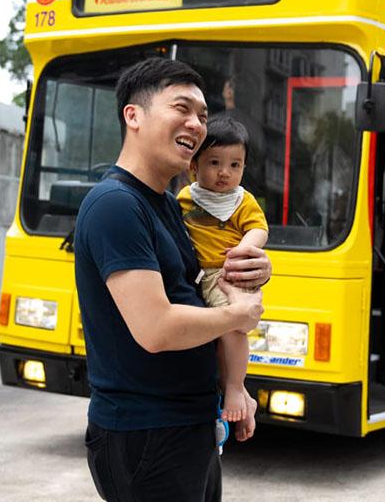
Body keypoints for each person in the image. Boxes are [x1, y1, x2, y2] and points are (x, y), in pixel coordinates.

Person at [73, 57, 270, 502]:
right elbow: (157, 328)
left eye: (202, 115)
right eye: (181, 108)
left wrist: (254, 265)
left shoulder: (166, 204)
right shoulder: (116, 205)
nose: (196, 124)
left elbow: (201, 284)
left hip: (187, 424)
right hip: (146, 432)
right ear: (134, 116)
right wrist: (239, 314)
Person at [178, 116, 269, 424]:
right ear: (194, 166)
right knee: (216, 336)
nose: (223, 173)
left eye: (234, 165)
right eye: (214, 162)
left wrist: (245, 250)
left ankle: (235, 387)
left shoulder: (243, 201)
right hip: (199, 276)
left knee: (232, 328)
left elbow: (259, 229)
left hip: (228, 274)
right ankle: (233, 389)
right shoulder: (185, 199)